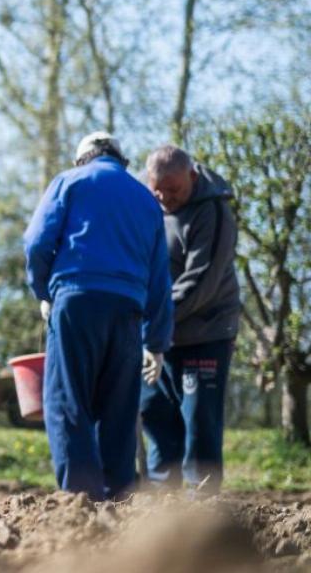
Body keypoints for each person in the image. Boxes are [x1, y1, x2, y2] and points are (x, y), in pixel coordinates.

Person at [23, 131, 174, 501]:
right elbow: (160, 276)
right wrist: (156, 341)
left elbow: (36, 242)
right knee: (119, 409)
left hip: (76, 302)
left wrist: (44, 292)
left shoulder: (69, 181)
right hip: (128, 312)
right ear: (120, 160)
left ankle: (81, 499)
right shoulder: (146, 199)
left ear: (83, 158)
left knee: (67, 400)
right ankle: (119, 498)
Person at [140, 145, 240, 494]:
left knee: (199, 423)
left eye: (175, 190)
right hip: (160, 338)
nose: (165, 198)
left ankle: (203, 508)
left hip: (205, 333)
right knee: (155, 415)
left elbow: (201, 281)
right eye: (158, 190)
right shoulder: (146, 208)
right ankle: (163, 508)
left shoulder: (212, 212)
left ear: (193, 178)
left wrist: (154, 320)